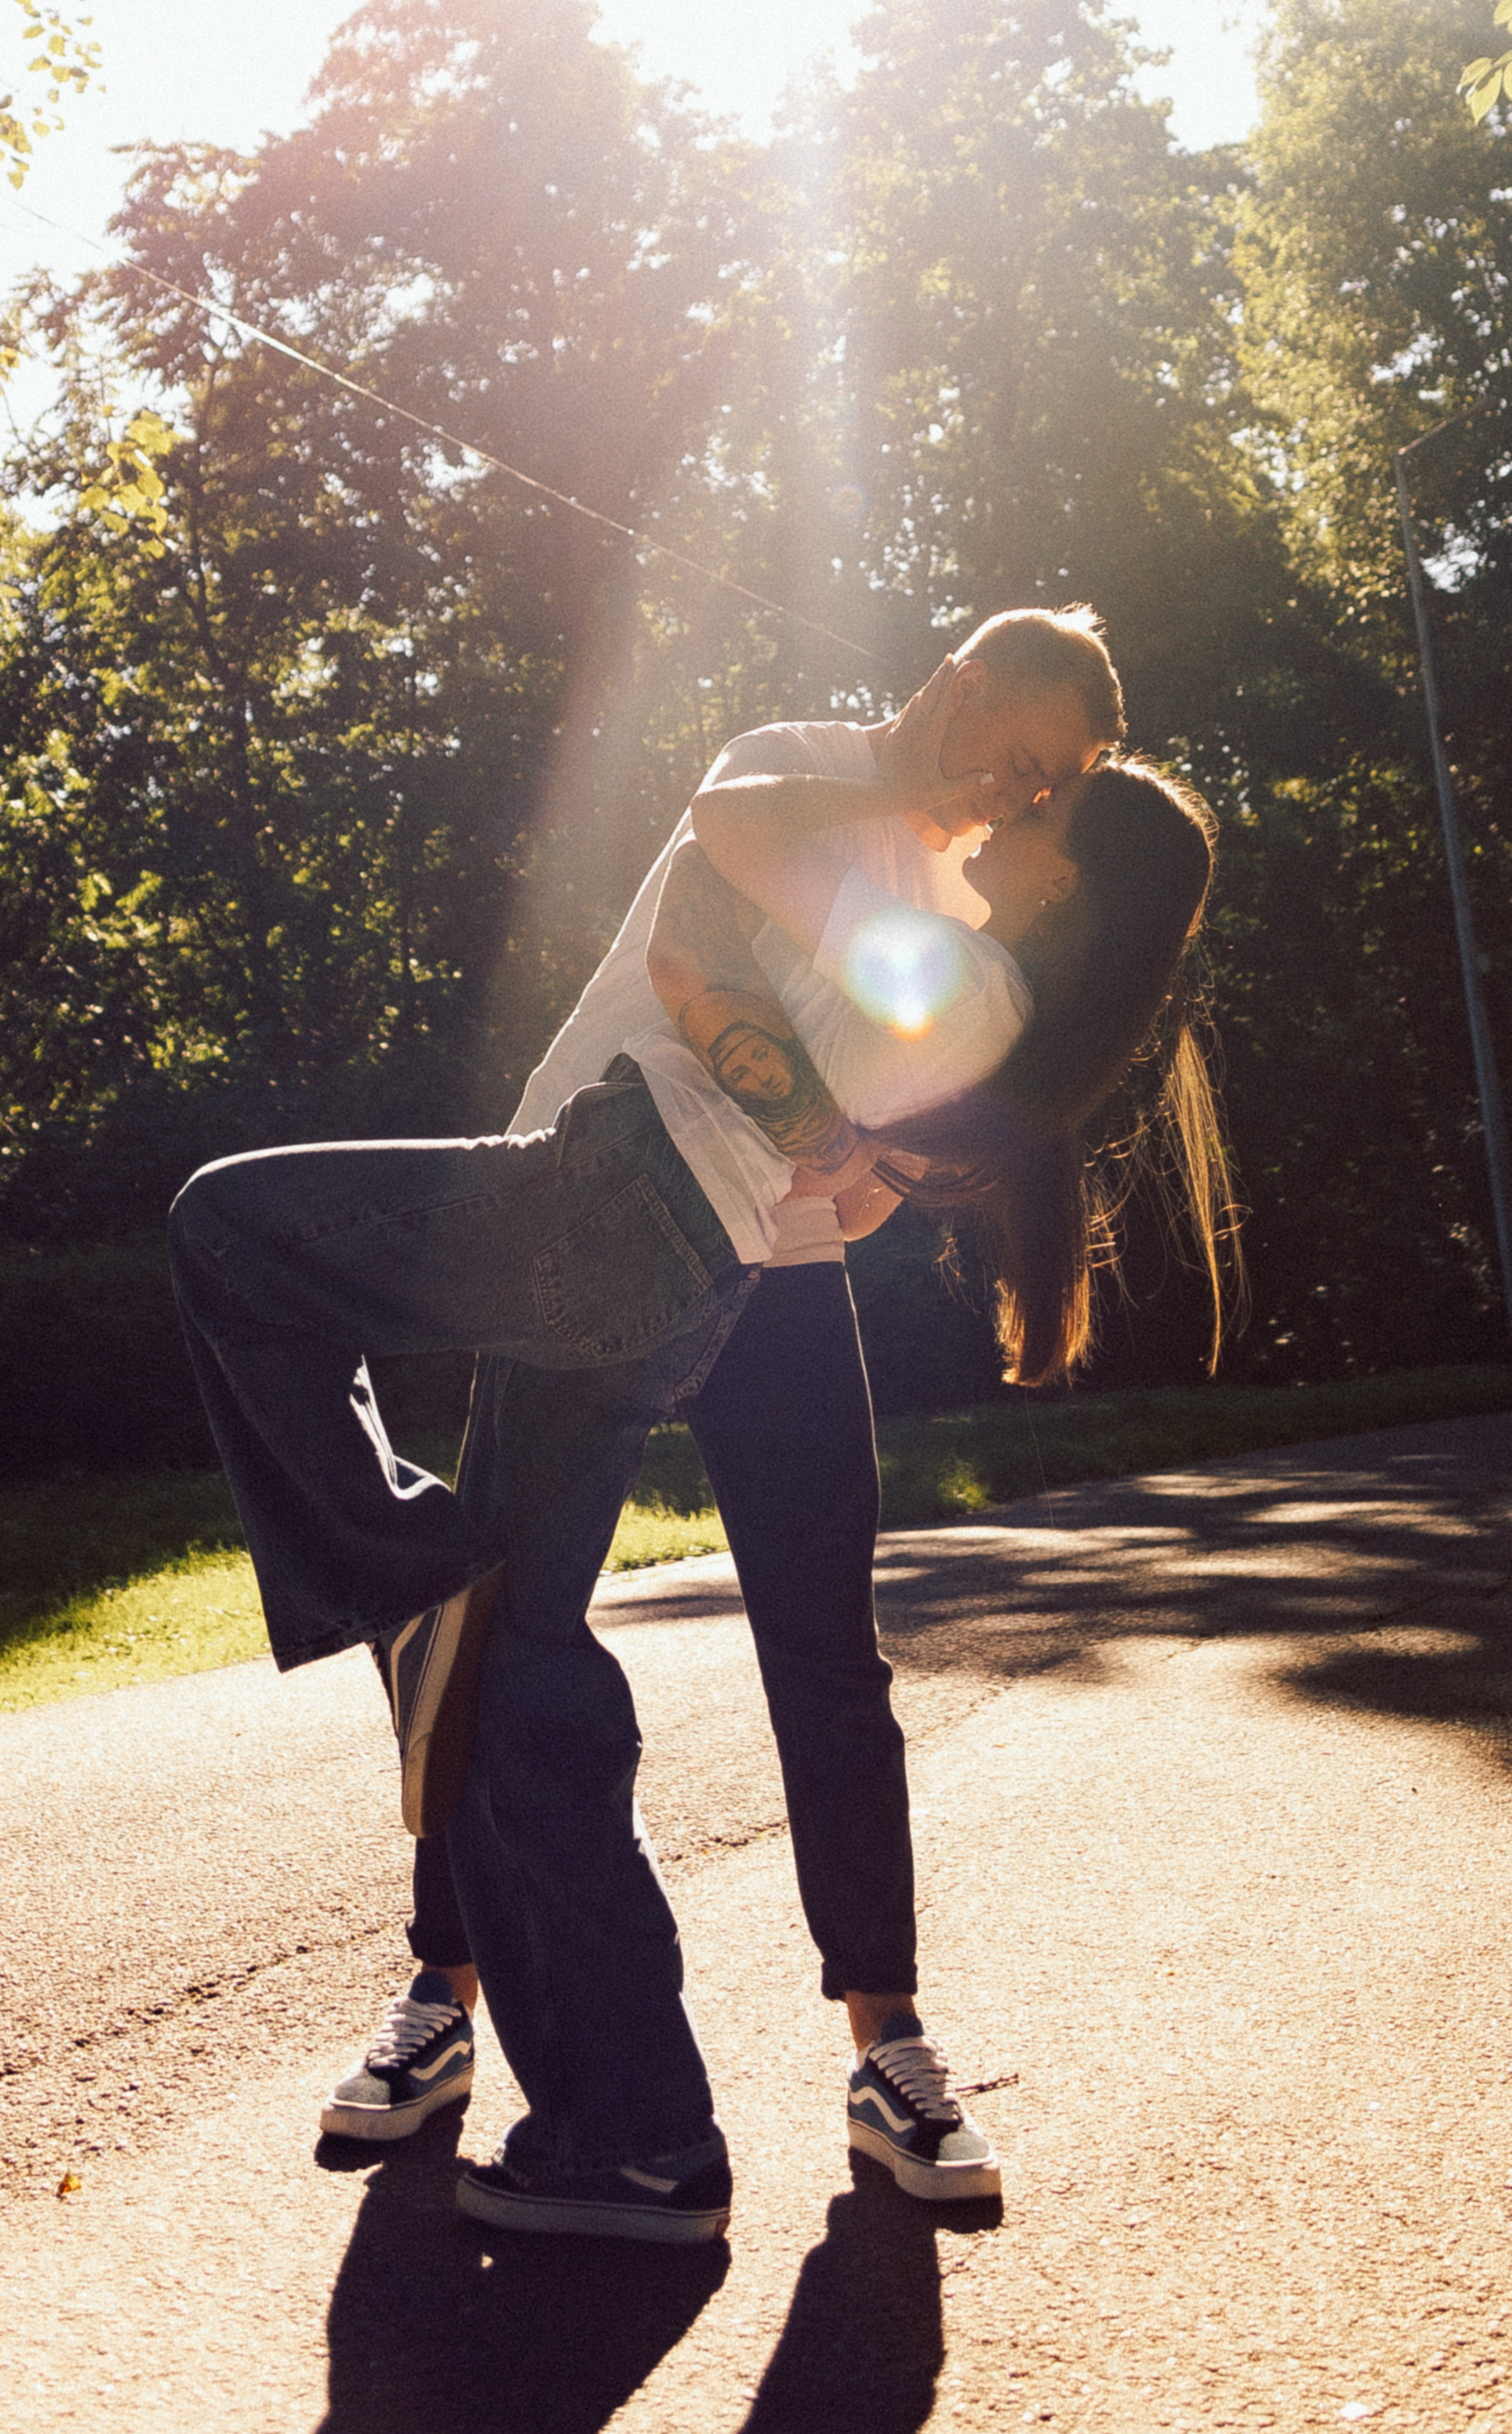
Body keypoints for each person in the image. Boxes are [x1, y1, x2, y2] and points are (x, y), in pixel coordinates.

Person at [171, 611, 1232, 2243]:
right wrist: (820, 1109)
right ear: (958, 690)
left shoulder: (972, 901)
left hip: (749, 1272)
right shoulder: (800, 764)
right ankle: (448, 1992)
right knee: (499, 1624)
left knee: (818, 1649)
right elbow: (717, 928)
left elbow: (911, 1102)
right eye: (1023, 758)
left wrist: (868, 1149)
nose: (1021, 799)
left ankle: (885, 2047)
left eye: (1056, 789)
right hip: (576, 1208)